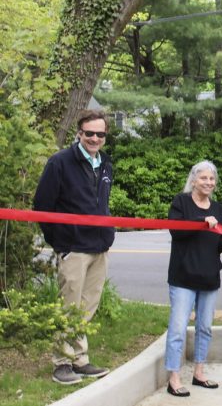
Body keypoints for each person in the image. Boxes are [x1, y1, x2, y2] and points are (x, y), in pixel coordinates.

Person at [33, 109, 114, 385]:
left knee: (86, 307)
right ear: (79, 132)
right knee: (69, 306)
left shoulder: (105, 164)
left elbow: (101, 203)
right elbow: (42, 206)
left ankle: (80, 360)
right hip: (73, 248)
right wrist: (60, 243)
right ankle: (62, 363)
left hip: (99, 246)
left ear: (105, 136)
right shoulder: (60, 162)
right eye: (89, 133)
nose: (94, 138)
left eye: (99, 134)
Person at [165, 161, 222, 398]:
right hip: (183, 278)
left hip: (209, 278)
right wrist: (202, 223)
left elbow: (218, 244)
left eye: (212, 179)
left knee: (204, 327)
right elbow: (176, 231)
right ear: (193, 180)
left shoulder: (218, 207)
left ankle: (199, 372)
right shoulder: (181, 202)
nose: (208, 183)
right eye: (204, 178)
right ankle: (173, 377)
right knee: (177, 329)